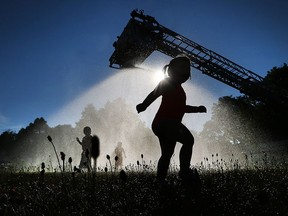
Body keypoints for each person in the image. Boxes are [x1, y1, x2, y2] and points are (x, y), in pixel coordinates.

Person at [136, 55, 206, 186]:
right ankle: (184, 172)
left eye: (188, 69)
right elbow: (154, 94)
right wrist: (143, 105)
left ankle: (160, 180)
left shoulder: (180, 90)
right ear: (171, 70)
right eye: (183, 68)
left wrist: (197, 109)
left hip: (164, 125)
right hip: (165, 122)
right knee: (189, 140)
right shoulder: (167, 82)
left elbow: (182, 108)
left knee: (167, 153)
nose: (186, 71)